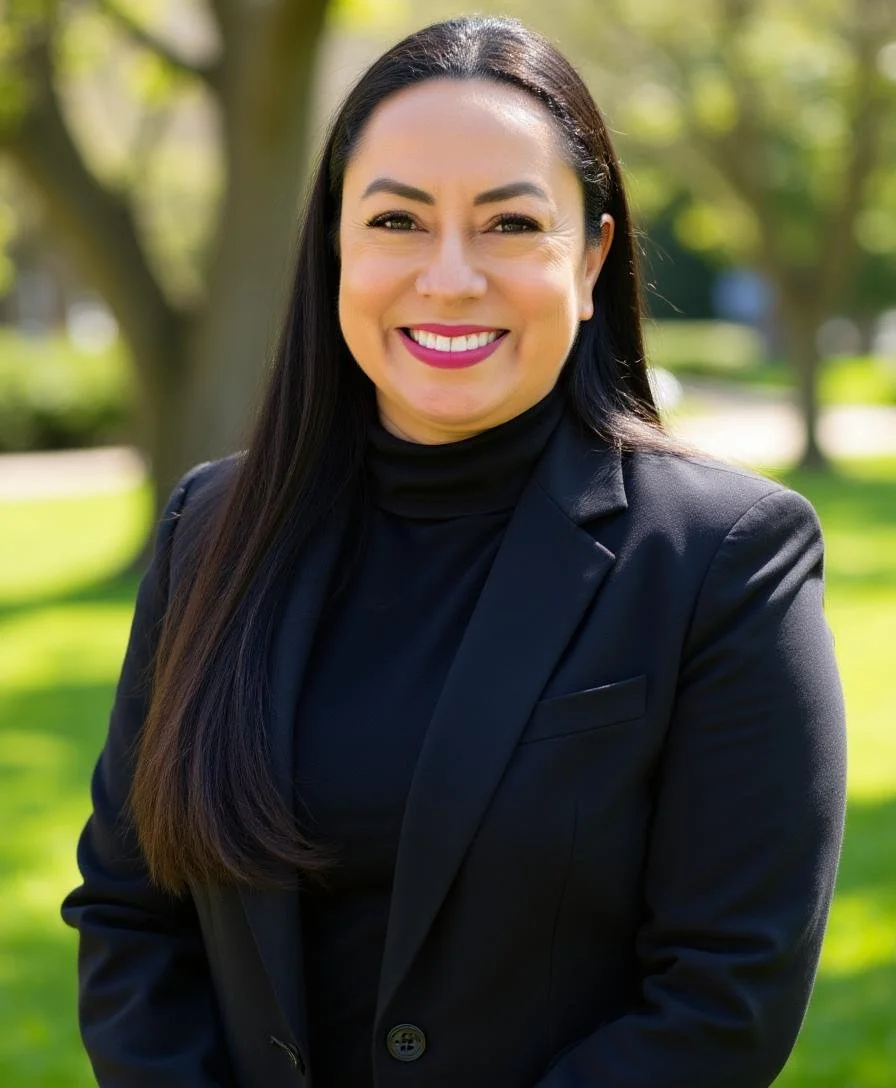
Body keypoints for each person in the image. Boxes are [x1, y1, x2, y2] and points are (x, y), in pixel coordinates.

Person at [61, 16, 846, 1088]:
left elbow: (721, 997)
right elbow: (129, 913)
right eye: (395, 219)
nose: (447, 277)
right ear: (336, 242)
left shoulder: (721, 556)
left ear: (591, 258)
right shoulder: (212, 527)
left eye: (509, 224)